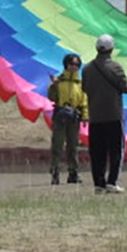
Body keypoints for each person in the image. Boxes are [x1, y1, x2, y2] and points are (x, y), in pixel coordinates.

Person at [81, 34, 127, 193]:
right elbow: (126, 87)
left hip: (95, 116)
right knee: (116, 149)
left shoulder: (87, 69)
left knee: (97, 151)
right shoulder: (115, 67)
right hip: (113, 115)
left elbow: (84, 88)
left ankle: (99, 184)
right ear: (111, 49)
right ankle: (112, 181)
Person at [47, 52, 88, 185]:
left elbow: (84, 101)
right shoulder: (59, 81)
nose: (74, 67)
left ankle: (73, 173)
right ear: (66, 65)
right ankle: (55, 173)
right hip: (60, 116)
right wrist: (53, 86)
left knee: (73, 146)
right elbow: (52, 97)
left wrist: (86, 117)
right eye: (71, 64)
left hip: (74, 118)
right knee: (57, 145)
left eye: (76, 65)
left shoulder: (80, 84)